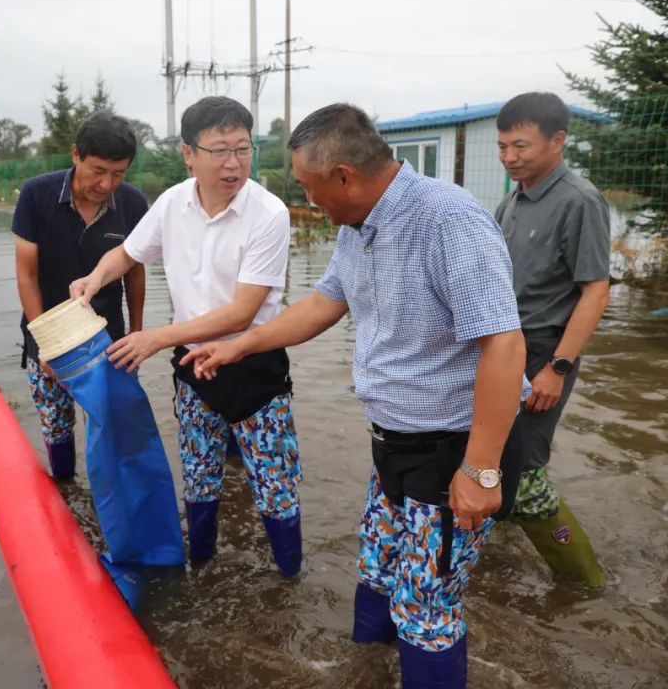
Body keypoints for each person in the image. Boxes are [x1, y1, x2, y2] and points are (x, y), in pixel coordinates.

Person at [183, 103, 527, 687]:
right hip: (392, 444)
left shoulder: (448, 220)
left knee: (426, 607)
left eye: (310, 187)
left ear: (343, 175)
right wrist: (243, 344)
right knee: (376, 573)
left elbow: (505, 344)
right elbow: (324, 302)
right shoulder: (357, 226)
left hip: (454, 452)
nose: (309, 201)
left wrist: (483, 469)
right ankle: (366, 673)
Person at [70, 96, 303, 576]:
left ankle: (289, 578)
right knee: (199, 479)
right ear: (188, 154)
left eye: (243, 148)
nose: (233, 163)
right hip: (194, 367)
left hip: (254, 365)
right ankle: (200, 565)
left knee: (275, 486)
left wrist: (155, 337)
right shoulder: (172, 203)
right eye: (219, 150)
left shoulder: (269, 213)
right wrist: (95, 277)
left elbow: (242, 310)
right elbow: (129, 254)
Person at [495, 92, 611, 587]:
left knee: (525, 478)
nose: (509, 157)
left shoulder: (579, 200)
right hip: (505, 349)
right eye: (502, 146)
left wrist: (557, 368)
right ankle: (494, 558)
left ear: (558, 142)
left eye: (520, 145)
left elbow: (595, 290)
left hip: (545, 351)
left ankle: (586, 586)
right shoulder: (512, 199)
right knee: (492, 459)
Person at [12, 110, 148, 479]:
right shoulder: (37, 195)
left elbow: (135, 274)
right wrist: (44, 346)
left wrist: (136, 335)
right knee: (56, 425)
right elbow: (26, 275)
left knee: (110, 428)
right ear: (76, 155)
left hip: (108, 341)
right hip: (46, 335)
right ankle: (65, 495)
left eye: (118, 173)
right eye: (98, 170)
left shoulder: (133, 204)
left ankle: (107, 511)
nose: (106, 184)